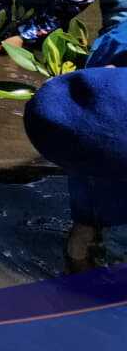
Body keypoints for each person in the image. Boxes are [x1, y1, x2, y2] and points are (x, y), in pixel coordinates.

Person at [24, 63, 127, 270]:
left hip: (77, 125)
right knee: (88, 220)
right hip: (97, 125)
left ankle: (78, 270)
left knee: (86, 220)